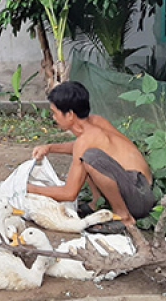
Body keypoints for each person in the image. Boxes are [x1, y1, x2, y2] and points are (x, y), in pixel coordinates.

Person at [28, 81, 154, 233]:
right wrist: (49, 148)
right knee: (88, 156)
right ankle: (96, 204)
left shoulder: (86, 141)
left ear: (70, 115)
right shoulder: (96, 122)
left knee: (91, 158)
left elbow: (69, 193)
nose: (53, 117)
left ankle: (124, 217)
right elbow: (79, 148)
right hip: (142, 189)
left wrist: (30, 188)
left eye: (55, 113)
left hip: (139, 197)